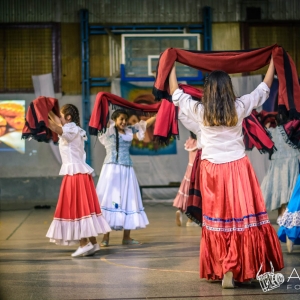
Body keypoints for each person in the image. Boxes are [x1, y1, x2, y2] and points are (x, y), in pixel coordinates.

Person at [169, 58, 284, 288]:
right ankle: (243, 267)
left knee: (218, 220)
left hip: (211, 169)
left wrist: (171, 65)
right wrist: (272, 61)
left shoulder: (200, 111)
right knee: (241, 217)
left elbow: (175, 93)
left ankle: (223, 267)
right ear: (228, 88)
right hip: (238, 167)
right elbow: (264, 88)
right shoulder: (239, 107)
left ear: (208, 90)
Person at [46, 104, 111, 257]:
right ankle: (93, 243)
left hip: (75, 174)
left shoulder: (70, 129)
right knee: (84, 208)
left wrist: (41, 119)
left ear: (68, 117)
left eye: (61, 115)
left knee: (77, 208)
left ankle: (84, 243)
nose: (59, 118)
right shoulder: (74, 128)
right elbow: (56, 121)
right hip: (78, 173)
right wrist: (46, 110)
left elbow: (56, 127)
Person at [96, 109, 156, 246]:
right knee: (111, 200)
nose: (123, 122)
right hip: (112, 170)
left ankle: (127, 237)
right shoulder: (109, 131)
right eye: (121, 119)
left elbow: (144, 124)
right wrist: (102, 104)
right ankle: (105, 238)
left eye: (125, 119)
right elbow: (101, 119)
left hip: (127, 170)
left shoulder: (129, 131)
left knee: (128, 200)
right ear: (115, 120)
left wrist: (157, 116)